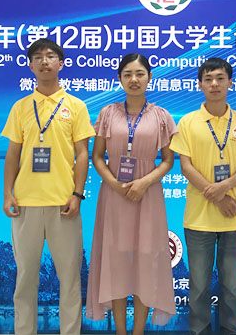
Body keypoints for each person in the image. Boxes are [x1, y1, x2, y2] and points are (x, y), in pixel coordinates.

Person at [2, 38, 95, 335]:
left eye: (51, 56)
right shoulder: (21, 107)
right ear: (30, 65)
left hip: (64, 204)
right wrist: (7, 194)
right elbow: (13, 154)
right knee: (25, 279)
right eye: (38, 57)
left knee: (69, 279)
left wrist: (77, 194)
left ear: (61, 63)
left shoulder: (76, 106)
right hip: (25, 204)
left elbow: (83, 153)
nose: (45, 61)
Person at [169, 57, 236, 335]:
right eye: (208, 79)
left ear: (230, 82)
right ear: (200, 84)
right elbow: (186, 167)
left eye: (220, 78)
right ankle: (199, 331)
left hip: (234, 217)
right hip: (199, 218)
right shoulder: (188, 122)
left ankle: (231, 330)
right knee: (198, 287)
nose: (214, 84)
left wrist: (223, 187)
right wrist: (218, 196)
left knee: (231, 286)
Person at [85, 53, 177, 334]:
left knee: (145, 262)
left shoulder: (161, 116)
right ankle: (121, 332)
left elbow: (168, 160)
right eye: (127, 74)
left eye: (139, 74)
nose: (134, 79)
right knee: (115, 260)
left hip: (147, 196)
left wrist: (143, 183)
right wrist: (114, 184)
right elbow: (97, 156)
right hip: (114, 196)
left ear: (150, 77)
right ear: (119, 79)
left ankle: (138, 331)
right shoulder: (107, 113)